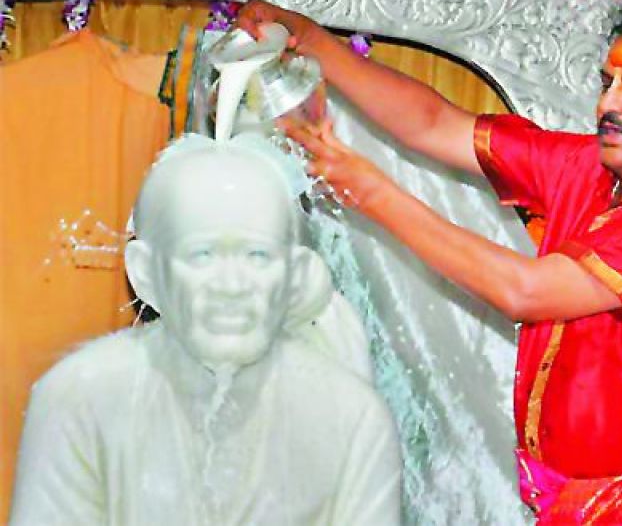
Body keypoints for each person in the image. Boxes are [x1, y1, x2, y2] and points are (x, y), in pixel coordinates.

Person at [236, 1, 622, 523]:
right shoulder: (590, 168)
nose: (609, 105)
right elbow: (433, 124)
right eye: (607, 83)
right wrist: (311, 39)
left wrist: (370, 192)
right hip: (571, 501)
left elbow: (527, 291)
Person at [10, 134, 403, 526]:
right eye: (202, 255)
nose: (231, 286)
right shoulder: (78, 399)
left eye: (257, 255)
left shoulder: (352, 419)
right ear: (145, 274)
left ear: (294, 275)